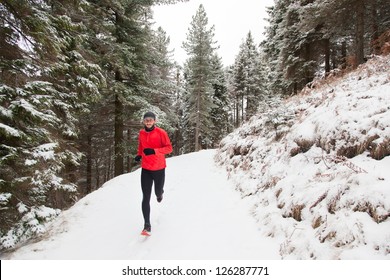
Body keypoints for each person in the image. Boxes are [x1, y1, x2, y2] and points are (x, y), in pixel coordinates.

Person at [134, 111, 172, 236]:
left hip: (159, 168)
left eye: (151, 119)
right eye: (146, 120)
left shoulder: (161, 133)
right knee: (145, 197)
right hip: (146, 168)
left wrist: (154, 151)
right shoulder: (141, 133)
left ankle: (160, 194)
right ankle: (147, 226)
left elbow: (169, 148)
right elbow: (141, 145)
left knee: (157, 192)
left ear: (154, 121)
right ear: (143, 121)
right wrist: (139, 155)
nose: (148, 121)